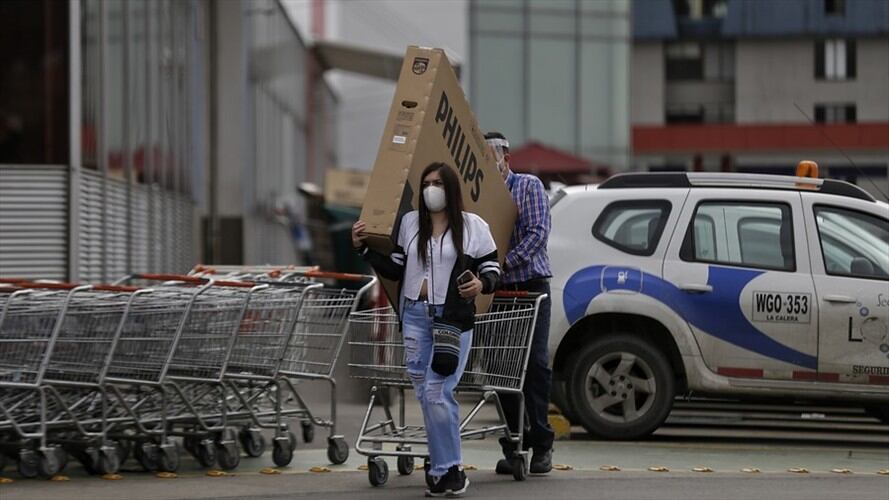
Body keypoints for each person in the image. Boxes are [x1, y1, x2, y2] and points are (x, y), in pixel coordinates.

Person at [352, 161, 501, 497]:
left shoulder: (473, 226)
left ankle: (448, 468)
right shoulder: (409, 224)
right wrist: (363, 248)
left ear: (451, 188)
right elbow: (396, 268)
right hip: (415, 315)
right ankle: (445, 470)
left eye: (437, 183)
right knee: (425, 393)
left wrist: (481, 284)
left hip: (452, 319)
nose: (431, 189)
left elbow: (492, 267)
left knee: (437, 392)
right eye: (426, 183)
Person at [484, 131, 555, 475]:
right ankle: (514, 443)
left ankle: (541, 444)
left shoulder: (527, 186)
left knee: (534, 367)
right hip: (495, 292)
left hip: (528, 288)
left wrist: (504, 262)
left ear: (505, 159)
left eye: (490, 158)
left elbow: (537, 233)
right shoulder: (477, 195)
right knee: (500, 369)